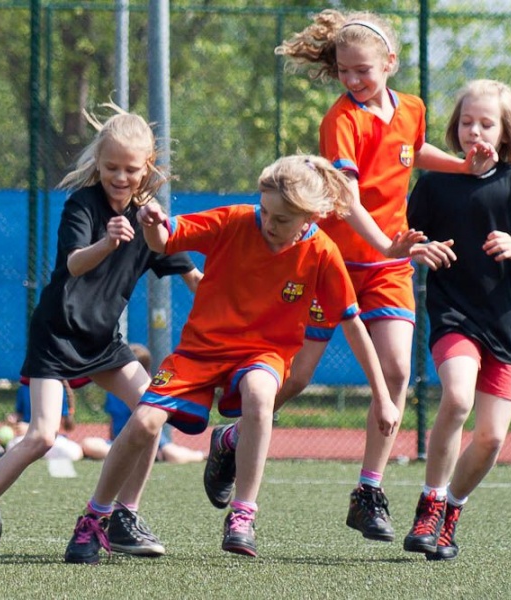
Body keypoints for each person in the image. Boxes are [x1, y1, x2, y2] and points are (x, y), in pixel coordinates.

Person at [203, 8, 498, 544]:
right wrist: (387, 241)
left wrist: (464, 166)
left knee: (395, 375)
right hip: (333, 264)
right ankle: (232, 439)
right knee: (294, 378)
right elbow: (345, 197)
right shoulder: (341, 119)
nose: (354, 79)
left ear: (391, 62)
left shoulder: (411, 107)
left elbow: (413, 153)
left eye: (363, 69)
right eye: (345, 71)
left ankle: (368, 492)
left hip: (387, 268)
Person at [64, 154, 400, 564]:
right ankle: (95, 518)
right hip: (200, 351)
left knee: (261, 394)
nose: (268, 223)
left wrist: (382, 396)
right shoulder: (236, 220)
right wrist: (152, 225)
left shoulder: (323, 253)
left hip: (263, 354)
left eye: (280, 219)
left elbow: (353, 325)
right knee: (144, 422)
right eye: (266, 210)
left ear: (310, 217)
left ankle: (242, 515)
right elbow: (164, 240)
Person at [0, 102, 202, 558]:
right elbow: (74, 264)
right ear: (98, 163)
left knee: (152, 411)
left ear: (147, 168)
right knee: (41, 435)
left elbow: (192, 277)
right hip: (56, 335)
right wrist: (107, 240)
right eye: (111, 166)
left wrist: (230, 293)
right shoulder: (83, 204)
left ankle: (124, 517)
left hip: (102, 342)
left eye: (130, 169)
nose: (120, 176)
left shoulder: (149, 219)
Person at [403, 79, 511, 561]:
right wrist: (417, 251)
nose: (475, 132)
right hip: (454, 314)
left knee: (490, 439)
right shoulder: (434, 185)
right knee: (457, 396)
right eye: (467, 122)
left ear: (506, 131)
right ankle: (429, 503)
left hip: (505, 325)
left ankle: (451, 510)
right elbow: (405, 242)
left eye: (486, 123)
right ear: (455, 127)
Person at [80, 343, 205, 464]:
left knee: (172, 454)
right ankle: (127, 454)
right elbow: (113, 421)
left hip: (149, 443)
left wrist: (157, 446)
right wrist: (114, 440)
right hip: (121, 443)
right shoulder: (113, 391)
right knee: (89, 444)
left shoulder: (149, 391)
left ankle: (200, 455)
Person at [5, 379, 83, 462]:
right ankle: (39, 453)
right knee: (11, 446)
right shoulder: (24, 388)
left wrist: (31, 429)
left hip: (52, 439)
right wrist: (14, 418)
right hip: (28, 438)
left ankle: (38, 453)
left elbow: (60, 423)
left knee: (73, 452)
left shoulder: (57, 388)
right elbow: (19, 413)